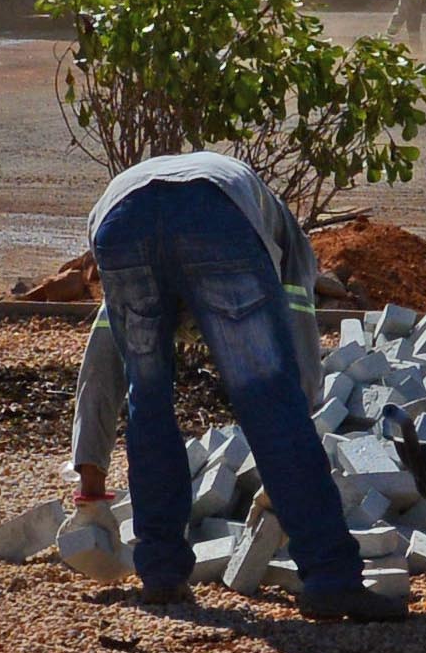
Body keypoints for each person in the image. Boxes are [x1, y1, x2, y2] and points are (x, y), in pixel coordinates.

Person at [70, 152, 401, 620]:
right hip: (213, 216)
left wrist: (90, 479)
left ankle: (161, 575)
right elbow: (292, 365)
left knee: (148, 400)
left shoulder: (271, 238)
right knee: (268, 398)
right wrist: (296, 439)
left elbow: (112, 373)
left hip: (119, 219)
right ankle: (329, 578)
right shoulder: (273, 233)